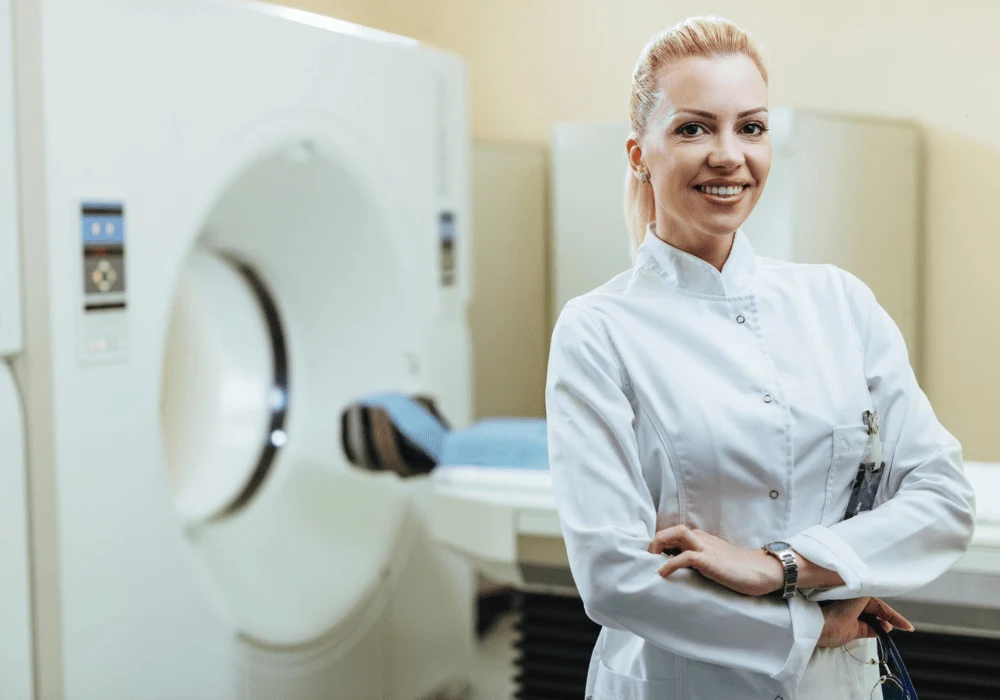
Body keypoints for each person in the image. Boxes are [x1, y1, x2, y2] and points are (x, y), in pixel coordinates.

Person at [544, 16, 976, 700]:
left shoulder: (840, 301)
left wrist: (783, 567)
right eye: (693, 128)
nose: (728, 154)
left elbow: (944, 499)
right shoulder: (599, 329)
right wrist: (810, 628)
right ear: (638, 154)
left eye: (751, 127)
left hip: (841, 685)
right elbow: (612, 576)